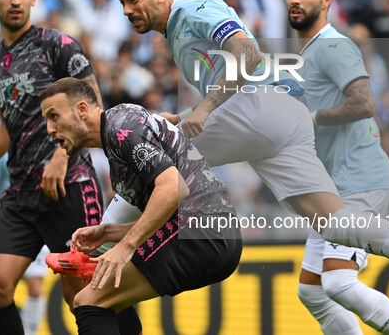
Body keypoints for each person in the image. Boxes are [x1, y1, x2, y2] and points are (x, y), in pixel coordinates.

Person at [110, 0, 389, 316]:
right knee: (332, 223)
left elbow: (247, 54)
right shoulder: (177, 32)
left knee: (153, 152)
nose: (127, 10)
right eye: (122, 2)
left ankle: (92, 248)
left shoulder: (195, 9)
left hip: (259, 110)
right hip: (279, 120)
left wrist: (202, 110)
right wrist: (185, 115)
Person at [0, 0, 139, 335]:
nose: (15, 0)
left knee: (85, 292)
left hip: (70, 184)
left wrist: (61, 157)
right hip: (21, 191)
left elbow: (92, 104)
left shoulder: (58, 45)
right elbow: (9, 125)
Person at [40, 77, 242, 334]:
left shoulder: (120, 129)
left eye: (54, 116)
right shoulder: (119, 126)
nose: (49, 128)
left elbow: (174, 189)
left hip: (201, 233)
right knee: (107, 299)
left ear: (82, 109)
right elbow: (169, 209)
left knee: (88, 302)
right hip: (212, 233)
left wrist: (124, 247)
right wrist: (109, 233)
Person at [286, 0, 389, 334]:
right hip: (332, 189)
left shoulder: (333, 45)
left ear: (327, 0)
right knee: (312, 291)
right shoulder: (305, 55)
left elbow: (364, 103)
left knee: (338, 283)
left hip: (357, 180)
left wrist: (310, 119)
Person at [0, 152, 49, 335]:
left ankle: (28, 332)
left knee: (35, 288)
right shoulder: (3, 151)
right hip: (9, 223)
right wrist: (3, 214)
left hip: (39, 221)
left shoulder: (50, 144)